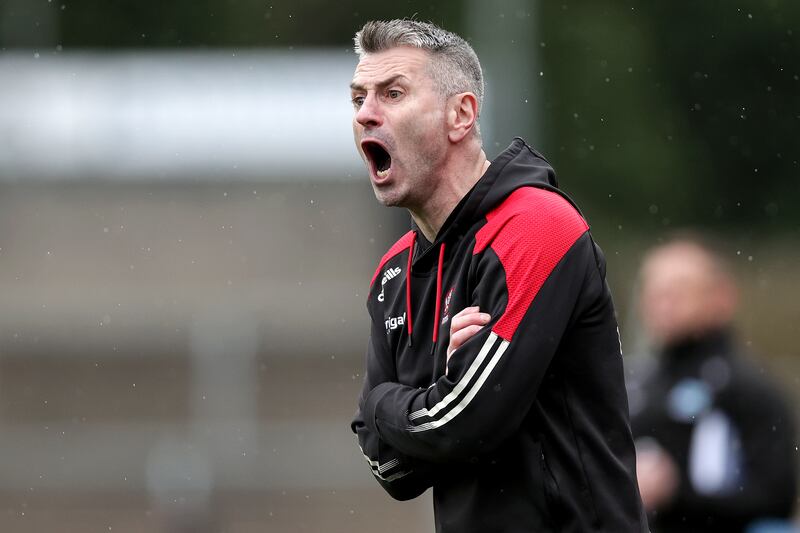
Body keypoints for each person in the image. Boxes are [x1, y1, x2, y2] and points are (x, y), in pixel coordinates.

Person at [348, 19, 647, 532]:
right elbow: (390, 470)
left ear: (460, 115)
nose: (367, 114)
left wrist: (383, 403)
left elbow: (462, 426)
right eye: (358, 98)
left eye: (393, 93)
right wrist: (431, 401)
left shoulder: (537, 226)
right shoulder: (392, 273)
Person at [629, 235, 797, 533]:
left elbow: (776, 499)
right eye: (654, 291)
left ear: (721, 296)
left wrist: (675, 492)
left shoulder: (751, 388)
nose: (663, 303)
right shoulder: (634, 381)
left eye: (678, 290)